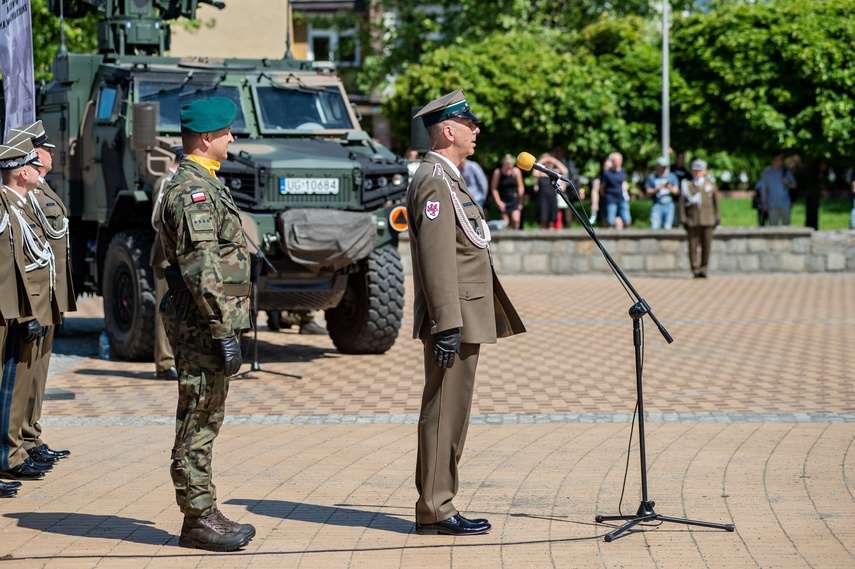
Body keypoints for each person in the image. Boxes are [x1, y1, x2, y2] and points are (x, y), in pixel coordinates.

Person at [408, 89, 525, 536]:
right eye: (469, 124)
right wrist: (447, 323)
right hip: (452, 317)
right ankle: (436, 507)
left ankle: (436, 503)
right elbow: (437, 259)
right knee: (444, 412)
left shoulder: (447, 177)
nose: (476, 130)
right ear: (449, 130)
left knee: (451, 411)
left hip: (460, 314)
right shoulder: (435, 180)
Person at [158, 97, 255, 551]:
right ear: (204, 139)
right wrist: (223, 330)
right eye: (226, 132)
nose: (231, 138)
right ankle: (196, 518)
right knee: (198, 417)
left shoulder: (207, 184)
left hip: (208, 325)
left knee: (207, 417)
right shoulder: (192, 191)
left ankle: (204, 507)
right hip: (201, 327)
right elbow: (202, 269)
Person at [8, 121, 76, 463]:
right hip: (34, 296)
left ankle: (30, 437)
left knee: (38, 370)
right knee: (23, 372)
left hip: (47, 294)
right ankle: (18, 442)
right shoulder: (25, 193)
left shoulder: (42, 188)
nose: (49, 153)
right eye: (44, 148)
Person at [0, 138, 59, 484]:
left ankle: (13, 450)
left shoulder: (21, 205)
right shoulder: (7, 205)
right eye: (32, 164)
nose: (39, 168)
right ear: (22, 171)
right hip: (9, 305)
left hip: (19, 305)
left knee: (17, 381)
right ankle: (9, 451)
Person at [150, 149, 182, 381]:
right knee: (165, 309)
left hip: (182, 258)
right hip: (165, 256)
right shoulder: (166, 182)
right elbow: (155, 218)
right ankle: (164, 362)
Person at [678, 159, 721, 278]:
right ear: (691, 170)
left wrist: (717, 218)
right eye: (695, 170)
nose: (697, 172)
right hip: (692, 220)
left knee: (706, 246)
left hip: (708, 220)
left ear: (705, 170)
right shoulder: (687, 185)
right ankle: (695, 270)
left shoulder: (710, 184)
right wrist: (683, 218)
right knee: (692, 246)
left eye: (700, 170)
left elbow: (716, 203)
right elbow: (681, 204)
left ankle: (704, 268)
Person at [758, 152, 797, 226]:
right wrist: (764, 203)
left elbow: (794, 185)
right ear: (773, 160)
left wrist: (787, 183)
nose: (779, 162)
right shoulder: (767, 173)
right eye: (778, 160)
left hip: (785, 203)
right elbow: (764, 190)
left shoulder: (786, 172)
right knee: (773, 227)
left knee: (786, 226)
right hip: (772, 204)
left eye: (781, 160)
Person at [532, 153, 568, 229]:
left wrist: (554, 160)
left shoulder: (553, 172)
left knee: (552, 221)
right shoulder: (540, 173)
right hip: (542, 200)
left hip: (552, 199)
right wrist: (542, 161)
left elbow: (565, 171)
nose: (548, 162)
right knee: (543, 220)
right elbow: (534, 173)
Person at [490, 154, 525, 230]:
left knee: (516, 220)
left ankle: (515, 238)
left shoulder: (516, 171)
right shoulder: (498, 172)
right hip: (503, 199)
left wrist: (520, 201)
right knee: (505, 223)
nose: (508, 169)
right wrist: (498, 202)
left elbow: (520, 186)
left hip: (514, 198)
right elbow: (494, 188)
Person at [644, 156, 679, 229]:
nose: (664, 168)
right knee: (654, 227)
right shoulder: (652, 177)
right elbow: (647, 192)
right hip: (657, 205)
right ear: (657, 166)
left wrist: (669, 187)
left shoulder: (672, 176)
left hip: (669, 205)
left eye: (665, 166)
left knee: (667, 228)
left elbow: (676, 191)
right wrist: (658, 189)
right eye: (662, 166)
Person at [601, 152, 631, 229]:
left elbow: (624, 182)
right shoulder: (606, 173)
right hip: (610, 199)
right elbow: (602, 188)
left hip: (621, 198)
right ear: (612, 161)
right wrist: (605, 196)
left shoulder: (622, 171)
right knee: (610, 221)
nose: (618, 162)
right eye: (616, 160)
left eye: (619, 160)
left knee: (627, 220)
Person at [588, 156, 613, 225]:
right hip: (604, 201)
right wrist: (594, 204)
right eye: (605, 166)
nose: (606, 169)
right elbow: (594, 191)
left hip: (615, 200)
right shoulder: (599, 177)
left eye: (608, 167)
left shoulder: (615, 175)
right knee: (607, 222)